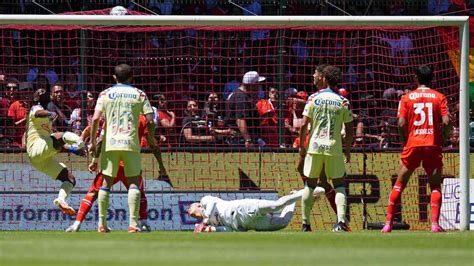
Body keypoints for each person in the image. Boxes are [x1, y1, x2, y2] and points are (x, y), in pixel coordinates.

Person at [66, 114, 168, 233]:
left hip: (111, 162)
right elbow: (152, 143)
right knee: (139, 192)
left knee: (93, 192)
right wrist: (161, 164)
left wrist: (95, 160)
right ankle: (140, 224)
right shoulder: (141, 118)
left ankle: (81, 224)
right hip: (130, 162)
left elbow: (100, 140)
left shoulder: (112, 114)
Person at [382, 65, 451, 233]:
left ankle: (388, 223)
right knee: (435, 186)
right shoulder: (439, 97)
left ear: (416, 78)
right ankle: (434, 224)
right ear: (432, 79)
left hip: (413, 144)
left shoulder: (406, 98)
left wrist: (405, 140)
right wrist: (442, 138)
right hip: (432, 145)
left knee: (399, 184)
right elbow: (447, 122)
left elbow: (400, 123)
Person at [89, 64, 155, 233]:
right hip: (131, 143)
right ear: (131, 77)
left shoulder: (105, 94)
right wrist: (152, 137)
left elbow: (95, 119)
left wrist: (93, 142)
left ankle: (101, 224)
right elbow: (150, 120)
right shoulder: (139, 94)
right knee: (134, 181)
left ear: (114, 77)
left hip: (110, 143)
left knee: (106, 182)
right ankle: (133, 225)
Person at [297, 65, 354, 232]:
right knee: (339, 184)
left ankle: (306, 224)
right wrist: (348, 150)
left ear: (324, 78)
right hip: (334, 148)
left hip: (314, 147)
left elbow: (303, 125)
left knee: (310, 184)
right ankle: (341, 222)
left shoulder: (313, 98)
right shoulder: (343, 101)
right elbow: (350, 129)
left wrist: (302, 146)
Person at [26, 88, 86, 216]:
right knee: (63, 135)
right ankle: (81, 142)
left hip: (41, 158)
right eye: (39, 91)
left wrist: (73, 150)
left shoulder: (48, 120)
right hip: (34, 147)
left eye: (44, 91)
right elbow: (39, 113)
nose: (42, 92)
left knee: (69, 179)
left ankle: (61, 200)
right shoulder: (35, 108)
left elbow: (54, 144)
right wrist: (48, 113)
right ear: (35, 98)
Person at [188, 189, 310, 232]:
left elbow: (212, 202)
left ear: (198, 205)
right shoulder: (210, 222)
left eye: (192, 210)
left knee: (277, 205)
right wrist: (209, 230)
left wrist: (204, 222)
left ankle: (306, 191)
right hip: (245, 224)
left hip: (242, 209)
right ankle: (295, 197)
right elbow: (228, 229)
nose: (192, 214)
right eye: (192, 215)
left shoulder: (205, 201)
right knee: (282, 223)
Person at [227, 71, 265, 148]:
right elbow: (240, 120)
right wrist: (248, 140)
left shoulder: (244, 96)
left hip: (242, 138)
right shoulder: (241, 98)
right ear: (252, 85)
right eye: (258, 84)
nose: (259, 87)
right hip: (240, 141)